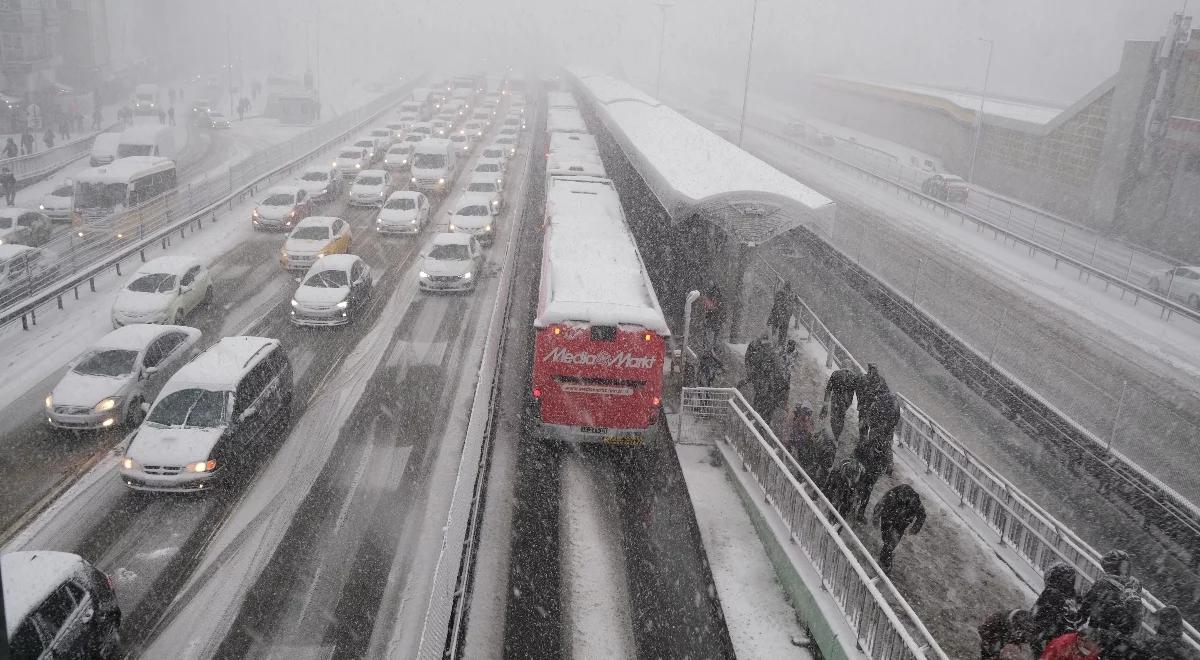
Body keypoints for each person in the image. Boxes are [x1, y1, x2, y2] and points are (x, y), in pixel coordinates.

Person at [1080, 550, 1140, 629]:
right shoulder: (1132, 587)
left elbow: (1086, 605)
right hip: (1116, 634)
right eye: (1125, 567)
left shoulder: (1103, 583)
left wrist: (1079, 620)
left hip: (1096, 630)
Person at [872, 483, 925, 573]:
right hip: (887, 518)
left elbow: (922, 515)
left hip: (900, 525)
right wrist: (876, 516)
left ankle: (884, 561)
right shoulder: (894, 494)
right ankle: (886, 556)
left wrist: (915, 528)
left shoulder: (915, 502)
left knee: (891, 543)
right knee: (886, 538)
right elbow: (882, 502)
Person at [1030, 563, 1082, 653]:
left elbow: (1037, 609)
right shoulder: (1075, 595)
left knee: (1035, 642)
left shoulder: (1051, 591)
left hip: (1049, 627)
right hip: (1065, 635)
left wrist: (1033, 619)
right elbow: (1077, 616)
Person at [819, 369, 860, 442]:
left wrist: (825, 404)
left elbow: (828, 389)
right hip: (845, 401)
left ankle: (835, 435)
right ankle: (836, 436)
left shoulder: (836, 373)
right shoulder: (854, 376)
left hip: (836, 399)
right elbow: (858, 392)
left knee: (834, 417)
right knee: (840, 417)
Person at [855, 363, 890, 437]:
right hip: (870, 406)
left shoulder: (865, 379)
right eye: (872, 369)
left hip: (871, 407)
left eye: (874, 369)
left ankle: (865, 440)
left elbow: (886, 393)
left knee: (867, 427)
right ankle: (865, 439)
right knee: (866, 427)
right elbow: (886, 393)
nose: (873, 371)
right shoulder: (880, 380)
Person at [701, 283, 724, 349]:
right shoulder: (711, 297)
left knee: (712, 332)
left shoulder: (715, 296)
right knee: (711, 332)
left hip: (713, 318)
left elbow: (718, 307)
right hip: (711, 317)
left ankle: (710, 347)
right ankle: (710, 347)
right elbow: (708, 307)